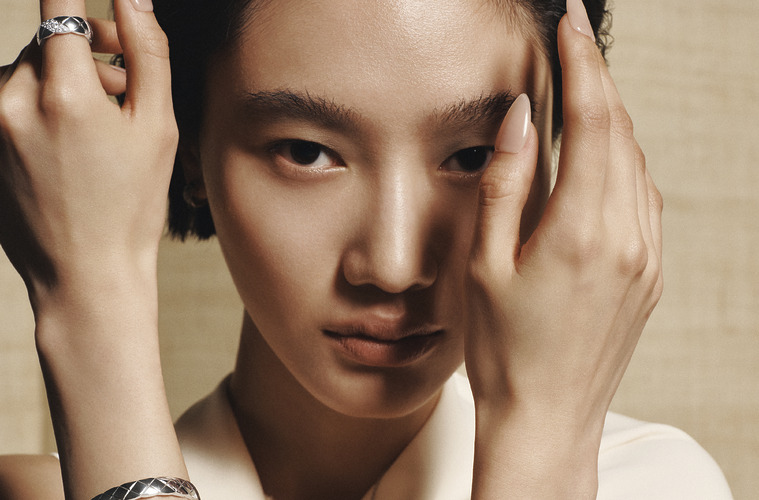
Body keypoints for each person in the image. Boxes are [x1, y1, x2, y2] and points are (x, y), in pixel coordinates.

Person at [0, 0, 733, 498]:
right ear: (189, 145)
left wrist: (539, 445)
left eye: (474, 156)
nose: (392, 267)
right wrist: (90, 295)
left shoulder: (652, 483)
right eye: (306, 152)